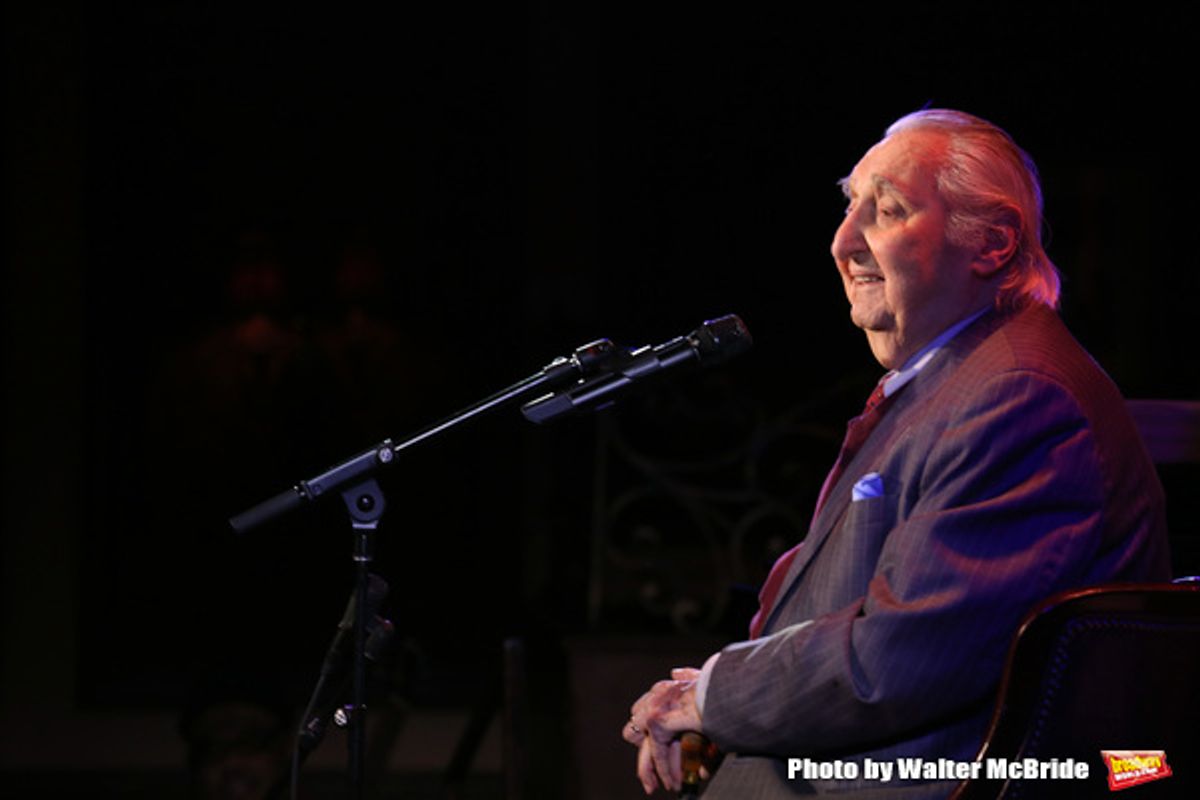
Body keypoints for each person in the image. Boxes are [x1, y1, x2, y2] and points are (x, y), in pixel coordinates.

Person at [621, 109, 1171, 798]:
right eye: (850, 206)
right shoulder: (951, 380)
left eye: (888, 210)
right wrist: (713, 695)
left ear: (993, 243)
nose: (843, 242)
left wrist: (714, 699)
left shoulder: (1020, 396)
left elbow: (905, 654)